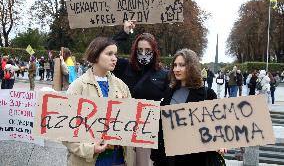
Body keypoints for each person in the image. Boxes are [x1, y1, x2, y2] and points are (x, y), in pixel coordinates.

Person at [64, 37, 136, 166]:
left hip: (118, 159)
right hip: (88, 161)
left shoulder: (122, 86)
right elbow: (64, 129)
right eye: (109, 54)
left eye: (115, 54)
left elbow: (132, 121)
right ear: (96, 55)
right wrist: (89, 149)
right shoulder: (78, 86)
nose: (114, 58)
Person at [151, 48, 226, 166]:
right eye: (175, 65)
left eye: (182, 65)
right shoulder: (168, 92)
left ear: (192, 67)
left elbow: (218, 125)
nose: (177, 69)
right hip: (167, 157)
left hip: (193, 158)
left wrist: (220, 143)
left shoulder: (208, 94)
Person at [112, 20, 168, 166]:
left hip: (148, 131)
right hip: (124, 127)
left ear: (154, 51)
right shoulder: (124, 67)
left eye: (147, 50)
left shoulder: (163, 75)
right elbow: (103, 51)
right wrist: (123, 33)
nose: (143, 54)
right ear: (135, 50)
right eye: (140, 50)